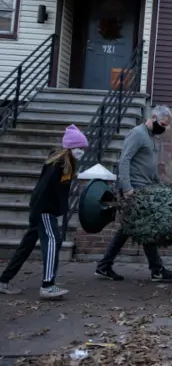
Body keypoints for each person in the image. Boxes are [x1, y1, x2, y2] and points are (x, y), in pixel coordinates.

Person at [0, 125, 88, 299]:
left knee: (26, 246)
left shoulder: (64, 163)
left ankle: (3, 280)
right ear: (71, 147)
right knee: (54, 241)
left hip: (43, 210)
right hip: (44, 210)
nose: (82, 151)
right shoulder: (59, 164)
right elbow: (43, 189)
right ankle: (48, 285)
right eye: (80, 148)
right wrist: (39, 212)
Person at [95, 105, 172, 282]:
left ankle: (106, 266)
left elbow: (149, 164)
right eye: (163, 124)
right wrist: (127, 188)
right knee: (137, 227)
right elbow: (124, 160)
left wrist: (158, 182)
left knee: (136, 227)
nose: (163, 128)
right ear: (154, 117)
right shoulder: (138, 133)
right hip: (134, 189)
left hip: (145, 188)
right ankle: (155, 269)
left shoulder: (151, 137)